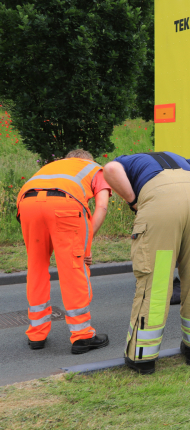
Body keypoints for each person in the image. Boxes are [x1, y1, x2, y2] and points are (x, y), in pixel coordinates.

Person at [103, 151, 190, 375]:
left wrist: (133, 201)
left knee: (156, 281)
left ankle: (143, 358)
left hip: (161, 204)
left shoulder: (125, 161)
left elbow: (110, 170)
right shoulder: (180, 160)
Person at [16, 150, 111, 354]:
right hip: (65, 206)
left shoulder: (51, 167)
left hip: (27, 204)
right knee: (73, 267)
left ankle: (36, 334)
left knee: (36, 266)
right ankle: (83, 336)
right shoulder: (95, 168)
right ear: (88, 159)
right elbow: (101, 206)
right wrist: (85, 244)